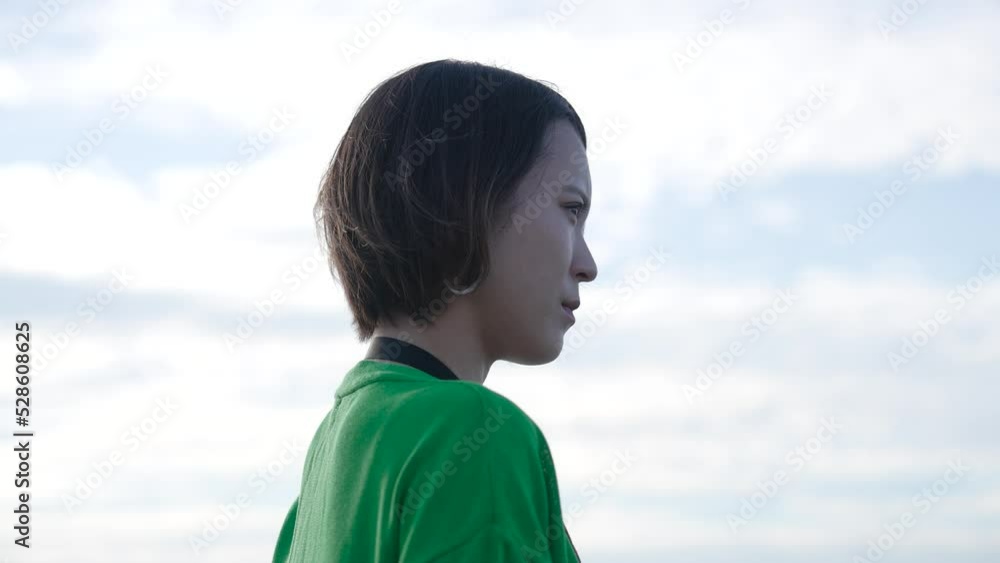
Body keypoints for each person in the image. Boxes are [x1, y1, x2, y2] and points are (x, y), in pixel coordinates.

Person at [272, 58, 598, 562]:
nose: (587, 264)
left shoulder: (327, 464)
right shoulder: (476, 433)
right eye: (571, 210)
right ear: (465, 205)